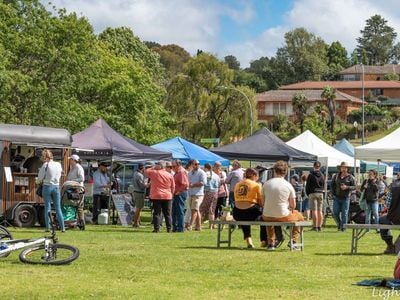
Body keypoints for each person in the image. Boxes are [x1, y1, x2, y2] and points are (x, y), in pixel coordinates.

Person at [262, 160, 304, 250]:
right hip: (283, 215)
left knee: (269, 221)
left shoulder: (266, 184)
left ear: (274, 171)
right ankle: (293, 241)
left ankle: (271, 243)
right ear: (286, 172)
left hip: (267, 215)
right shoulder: (288, 185)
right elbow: (293, 205)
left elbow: (263, 202)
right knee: (300, 217)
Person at [232, 168, 267, 249]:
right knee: (264, 217)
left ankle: (249, 241)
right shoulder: (256, 185)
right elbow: (261, 202)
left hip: (237, 212)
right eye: (257, 176)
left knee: (244, 219)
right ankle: (263, 240)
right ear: (254, 176)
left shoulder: (237, 184)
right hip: (250, 212)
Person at [37, 149, 65, 232]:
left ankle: (48, 228)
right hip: (56, 186)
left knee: (47, 208)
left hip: (47, 186)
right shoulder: (58, 164)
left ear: (45, 157)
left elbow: (40, 178)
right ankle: (62, 227)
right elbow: (60, 174)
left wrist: (38, 181)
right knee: (58, 208)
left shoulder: (45, 165)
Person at [144, 161, 175, 233]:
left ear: (160, 166)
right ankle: (169, 228)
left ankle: (157, 229)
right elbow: (173, 186)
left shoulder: (154, 172)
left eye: (157, 164)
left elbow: (145, 171)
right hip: (167, 196)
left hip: (156, 195)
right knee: (167, 213)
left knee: (157, 213)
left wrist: (153, 167)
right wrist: (172, 195)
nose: (155, 166)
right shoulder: (169, 175)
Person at [331, 161, 356, 231]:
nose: (344, 169)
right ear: (340, 168)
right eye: (342, 167)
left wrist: (347, 187)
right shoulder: (336, 176)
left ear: (347, 169)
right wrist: (332, 194)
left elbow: (355, 187)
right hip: (337, 197)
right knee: (335, 213)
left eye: (345, 167)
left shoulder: (351, 177)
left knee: (344, 214)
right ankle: (340, 224)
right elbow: (332, 185)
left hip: (346, 198)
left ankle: (343, 228)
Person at [379, 173, 400, 254]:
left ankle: (390, 245)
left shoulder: (393, 186)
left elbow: (387, 204)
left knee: (381, 220)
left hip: (393, 218)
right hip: (394, 217)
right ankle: (395, 246)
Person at [187, 160, 207, 231]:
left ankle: (190, 225)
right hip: (191, 193)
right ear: (192, 164)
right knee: (196, 210)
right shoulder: (189, 173)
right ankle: (198, 227)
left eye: (198, 164)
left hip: (198, 194)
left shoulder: (202, 173)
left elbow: (203, 183)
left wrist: (193, 185)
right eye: (195, 164)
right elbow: (188, 181)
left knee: (194, 210)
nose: (197, 165)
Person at [66, 154, 85, 226]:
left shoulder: (78, 168)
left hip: (78, 189)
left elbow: (82, 179)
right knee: (74, 206)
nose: (69, 161)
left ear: (74, 160)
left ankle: (82, 223)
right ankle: (74, 223)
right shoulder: (73, 168)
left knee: (79, 206)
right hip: (73, 189)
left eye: (70, 160)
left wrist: (72, 180)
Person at [306, 161, 325, 231]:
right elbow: (323, 185)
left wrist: (308, 193)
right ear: (319, 167)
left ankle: (315, 226)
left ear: (313, 166)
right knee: (320, 210)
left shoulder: (311, 175)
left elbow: (307, 186)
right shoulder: (322, 175)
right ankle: (319, 226)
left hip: (313, 193)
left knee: (314, 210)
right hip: (320, 193)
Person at [199, 163, 220, 229]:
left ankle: (199, 224)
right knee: (212, 210)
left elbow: (203, 183)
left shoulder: (206, 174)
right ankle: (211, 226)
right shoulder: (217, 175)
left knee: (201, 209)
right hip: (215, 193)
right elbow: (218, 185)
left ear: (206, 168)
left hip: (208, 192)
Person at [171, 159, 189, 232]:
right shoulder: (177, 172)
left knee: (179, 210)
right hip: (177, 193)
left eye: (174, 166)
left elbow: (185, 184)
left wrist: (179, 191)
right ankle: (175, 227)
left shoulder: (181, 172)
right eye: (172, 166)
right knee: (174, 211)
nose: (172, 168)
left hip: (180, 194)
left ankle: (180, 228)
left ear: (178, 165)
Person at [132, 163, 148, 227]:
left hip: (136, 192)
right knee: (138, 209)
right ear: (143, 168)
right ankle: (135, 223)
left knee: (138, 208)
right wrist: (148, 183)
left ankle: (137, 223)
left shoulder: (135, 173)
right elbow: (142, 186)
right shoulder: (139, 175)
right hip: (139, 193)